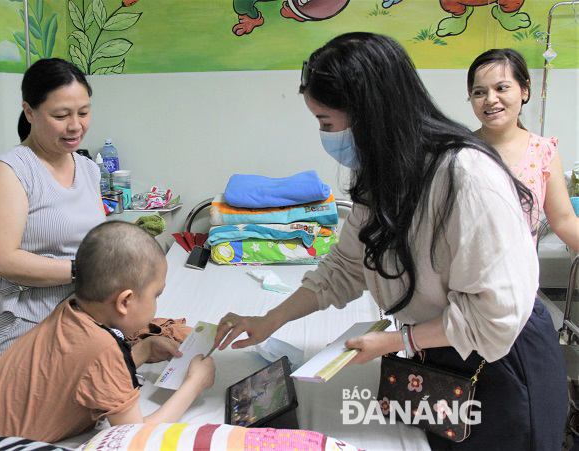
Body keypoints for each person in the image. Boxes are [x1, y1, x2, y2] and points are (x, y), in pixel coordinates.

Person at [213, 33, 567, 449]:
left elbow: (494, 316)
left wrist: (400, 341)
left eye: (327, 123)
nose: (325, 136)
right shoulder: (387, 174)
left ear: (369, 113)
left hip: (503, 363)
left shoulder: (467, 177)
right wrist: (270, 320)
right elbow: (345, 267)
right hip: (443, 352)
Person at [0, 222, 216, 449]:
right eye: (156, 295)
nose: (156, 305)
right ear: (125, 301)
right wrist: (193, 385)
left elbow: (80, 375)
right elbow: (134, 436)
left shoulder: (70, 308)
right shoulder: (103, 350)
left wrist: (142, 351)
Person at [0, 58, 106, 366]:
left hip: (81, 319)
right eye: (61, 115)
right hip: (27, 326)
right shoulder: (10, 171)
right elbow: (1, 260)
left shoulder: (89, 169)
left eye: (84, 112)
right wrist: (82, 269)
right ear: (29, 112)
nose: (75, 125)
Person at [467, 48, 579, 252]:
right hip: (464, 279)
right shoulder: (458, 151)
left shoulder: (543, 152)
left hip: (520, 280)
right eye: (479, 92)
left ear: (524, 90)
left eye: (501, 88)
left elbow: (563, 220)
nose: (490, 99)